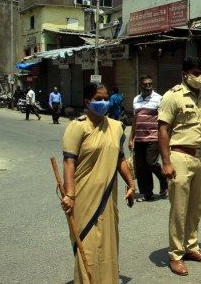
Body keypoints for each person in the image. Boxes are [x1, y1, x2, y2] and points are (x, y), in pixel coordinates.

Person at [60, 82, 136, 284]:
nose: (103, 102)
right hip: (83, 196)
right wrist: (69, 194)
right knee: (88, 244)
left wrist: (131, 184)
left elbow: (120, 159)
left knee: (108, 243)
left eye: (105, 99)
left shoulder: (115, 127)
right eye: (98, 99)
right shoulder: (77, 127)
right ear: (88, 102)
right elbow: (69, 162)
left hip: (107, 195)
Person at [158, 57, 201, 276]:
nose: (200, 77)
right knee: (179, 209)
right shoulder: (172, 96)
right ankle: (176, 254)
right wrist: (166, 162)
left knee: (195, 207)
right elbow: (163, 129)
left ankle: (192, 247)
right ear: (184, 74)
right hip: (180, 157)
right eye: (196, 72)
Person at [129, 75, 167, 202]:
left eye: (150, 84)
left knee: (151, 163)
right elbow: (135, 120)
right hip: (139, 139)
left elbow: (163, 120)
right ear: (140, 86)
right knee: (141, 168)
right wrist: (131, 138)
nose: (148, 86)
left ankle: (163, 179)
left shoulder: (159, 99)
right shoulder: (136, 100)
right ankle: (147, 192)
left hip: (153, 137)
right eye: (145, 84)